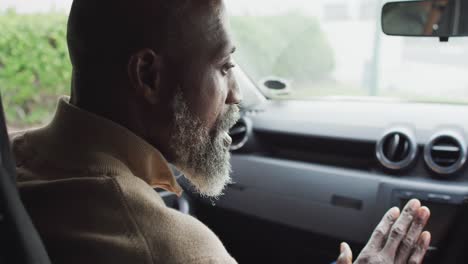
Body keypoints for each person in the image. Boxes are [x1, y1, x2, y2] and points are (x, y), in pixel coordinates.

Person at [10, 0, 431, 263]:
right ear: (149, 75)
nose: (236, 96)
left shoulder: (15, 162)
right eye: (225, 66)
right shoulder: (171, 248)